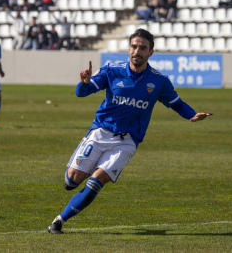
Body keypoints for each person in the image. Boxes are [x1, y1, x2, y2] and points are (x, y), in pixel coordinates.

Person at [47, 29, 213, 234]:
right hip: (100, 133)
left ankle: (58, 221)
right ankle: (82, 171)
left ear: (151, 52)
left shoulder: (159, 81)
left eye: (143, 48)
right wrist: (84, 83)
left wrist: (192, 115)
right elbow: (83, 92)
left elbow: (177, 104)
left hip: (127, 142)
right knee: (72, 181)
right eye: (134, 46)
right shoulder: (112, 70)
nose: (137, 51)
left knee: (96, 183)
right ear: (128, 49)